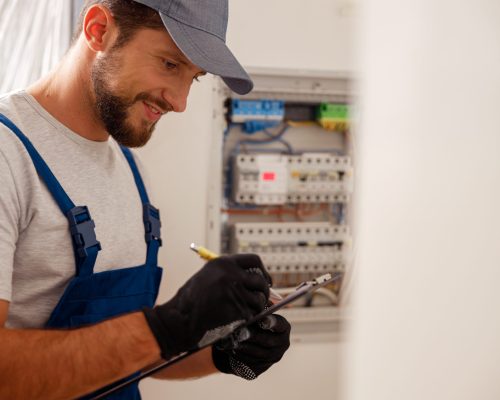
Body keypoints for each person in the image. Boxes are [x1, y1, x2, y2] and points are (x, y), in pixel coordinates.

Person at [0, 0, 291, 398]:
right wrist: (169, 324)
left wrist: (220, 352)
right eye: (170, 64)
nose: (179, 100)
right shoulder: (8, 155)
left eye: (195, 77)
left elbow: (121, 355)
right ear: (99, 29)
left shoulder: (130, 171)